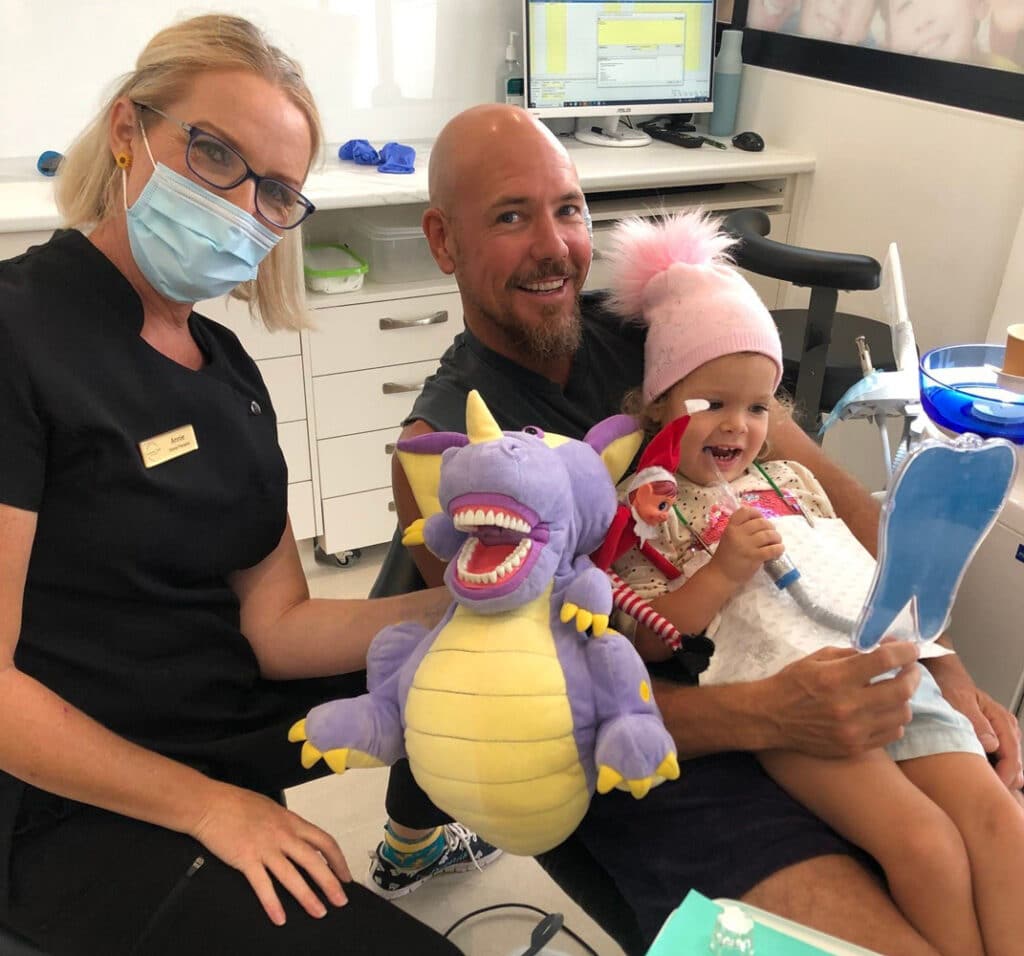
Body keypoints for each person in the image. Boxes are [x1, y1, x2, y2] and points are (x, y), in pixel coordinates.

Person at [384, 103, 1024, 955]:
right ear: (442, 239)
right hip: (666, 739)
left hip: (812, 660)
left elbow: (821, 492)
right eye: (511, 216)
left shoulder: (659, 333)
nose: (555, 246)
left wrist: (941, 657)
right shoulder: (448, 456)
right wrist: (765, 714)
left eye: (569, 209)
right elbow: (527, 707)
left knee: (998, 839)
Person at [0, 15, 463, 956]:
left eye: (278, 191)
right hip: (59, 800)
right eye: (214, 154)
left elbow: (279, 624)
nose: (244, 206)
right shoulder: (20, 337)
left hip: (207, 736)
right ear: (130, 131)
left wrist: (466, 609)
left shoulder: (224, 369)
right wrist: (210, 810)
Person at [605, 210, 1024, 956]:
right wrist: (727, 568)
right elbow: (643, 635)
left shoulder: (792, 477)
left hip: (893, 666)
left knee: (1000, 823)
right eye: (712, 403)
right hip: (791, 698)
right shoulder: (650, 505)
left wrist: (939, 654)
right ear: (657, 405)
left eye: (759, 406)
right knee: (927, 845)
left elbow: (861, 563)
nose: (738, 424)